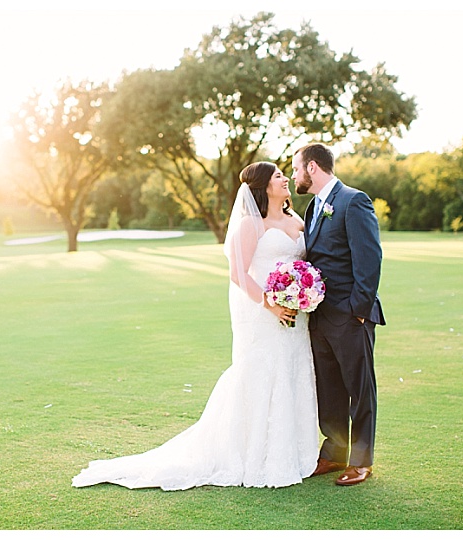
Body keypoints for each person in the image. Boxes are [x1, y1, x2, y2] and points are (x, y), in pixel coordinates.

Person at [72, 162, 319, 490]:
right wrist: (271, 304)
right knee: (262, 375)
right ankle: (257, 456)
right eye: (277, 176)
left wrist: (303, 292)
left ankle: (297, 456)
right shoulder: (250, 225)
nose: (285, 178)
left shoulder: (296, 220)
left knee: (293, 372)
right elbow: (238, 274)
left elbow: (302, 264)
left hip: (295, 317)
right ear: (263, 186)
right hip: (264, 314)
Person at [291, 143, 385, 486]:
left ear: (312, 167)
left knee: (359, 389)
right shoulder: (314, 207)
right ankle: (334, 454)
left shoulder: (353, 200)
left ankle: (361, 461)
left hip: (349, 316)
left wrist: (358, 312)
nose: (294, 175)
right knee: (329, 390)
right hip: (319, 316)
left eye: (296, 168)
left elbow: (369, 259)